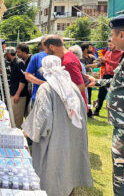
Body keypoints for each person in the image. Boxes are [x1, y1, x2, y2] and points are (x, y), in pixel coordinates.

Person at [22, 55, 93, 196]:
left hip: (54, 143)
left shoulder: (46, 89)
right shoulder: (71, 86)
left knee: (52, 179)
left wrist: (26, 133)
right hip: (72, 140)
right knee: (68, 174)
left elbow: (40, 123)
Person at [88, 16, 124, 196]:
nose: (111, 40)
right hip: (120, 125)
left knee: (121, 173)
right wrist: (95, 82)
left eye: (112, 35)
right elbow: (116, 82)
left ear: (122, 35)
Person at [43, 35, 88, 107]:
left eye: (46, 50)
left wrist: (58, 96)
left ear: (51, 47)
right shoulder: (67, 56)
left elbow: (80, 87)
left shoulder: (67, 62)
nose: (45, 53)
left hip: (74, 108)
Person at [93, 40, 123, 116]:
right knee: (101, 94)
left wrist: (106, 60)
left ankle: (113, 114)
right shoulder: (107, 52)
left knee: (114, 96)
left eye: (110, 45)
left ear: (116, 44)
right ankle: (97, 110)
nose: (109, 46)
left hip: (115, 76)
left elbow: (118, 65)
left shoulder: (121, 53)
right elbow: (104, 63)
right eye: (108, 45)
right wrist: (100, 61)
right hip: (106, 75)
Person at [4, 47, 28, 129]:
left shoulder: (19, 62)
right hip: (14, 93)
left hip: (19, 95)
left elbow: (23, 80)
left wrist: (17, 94)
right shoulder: (13, 62)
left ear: (8, 54)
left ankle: (18, 136)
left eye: (5, 54)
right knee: (12, 117)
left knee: (17, 120)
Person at [25, 37, 48, 107]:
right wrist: (44, 84)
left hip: (57, 97)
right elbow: (28, 75)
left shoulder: (61, 56)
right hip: (38, 96)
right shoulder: (37, 57)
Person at [16, 43, 32, 116]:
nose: (17, 54)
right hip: (22, 90)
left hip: (30, 90)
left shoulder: (32, 60)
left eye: (18, 52)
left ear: (24, 52)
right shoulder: (20, 61)